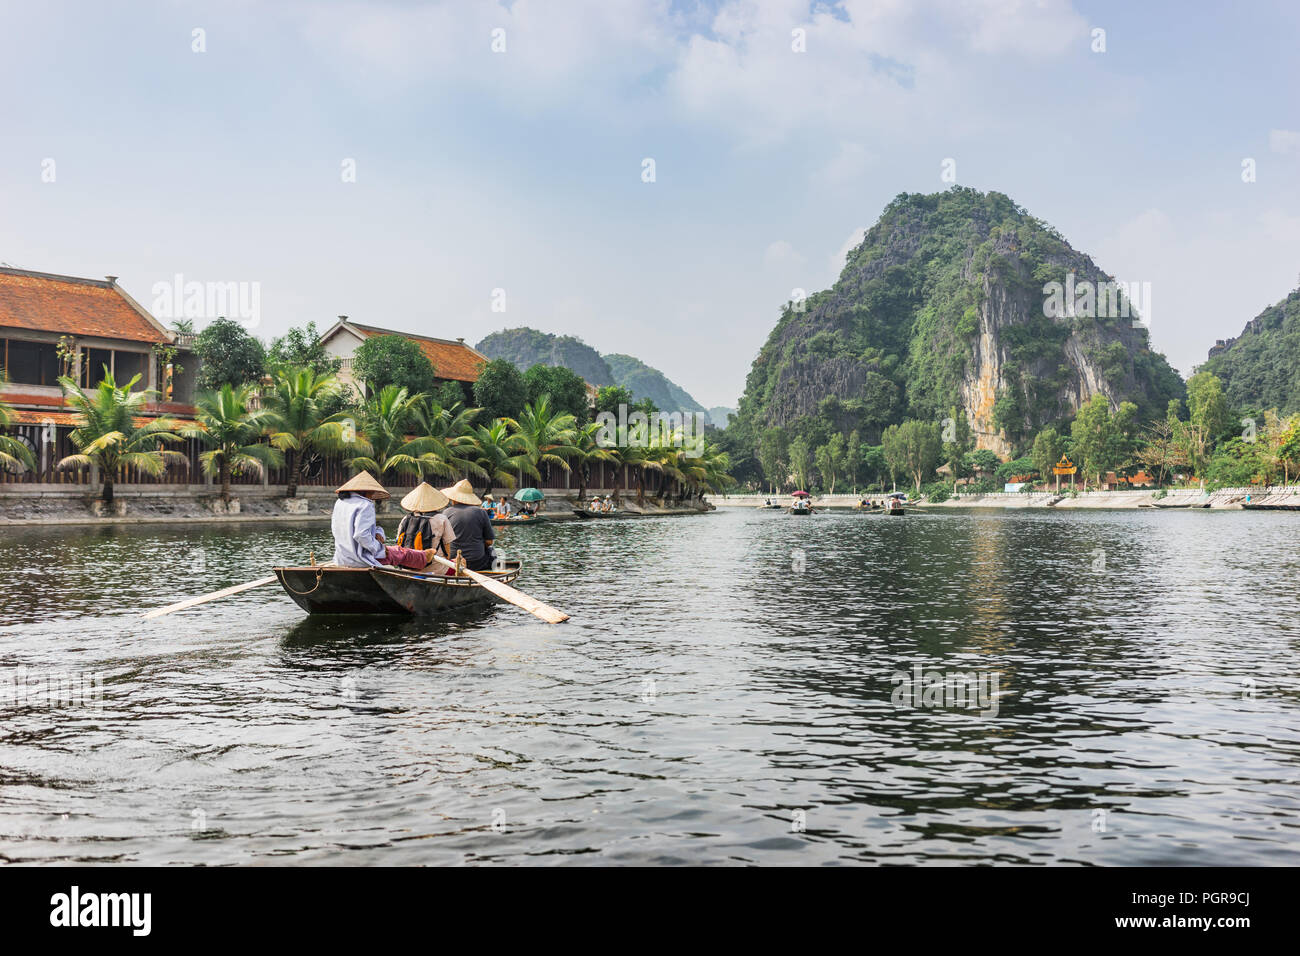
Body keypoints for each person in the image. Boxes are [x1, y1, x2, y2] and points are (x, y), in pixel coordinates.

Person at [331, 472, 438, 570]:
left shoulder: (340, 503)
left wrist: (377, 532)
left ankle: (424, 556)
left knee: (397, 551)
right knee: (400, 552)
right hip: (361, 559)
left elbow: (344, 530)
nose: (372, 495)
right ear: (365, 491)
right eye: (371, 492)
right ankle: (425, 557)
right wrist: (379, 549)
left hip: (342, 558)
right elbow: (361, 535)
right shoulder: (365, 505)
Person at [440, 478, 496, 572]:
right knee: (492, 551)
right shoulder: (481, 512)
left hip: (453, 562)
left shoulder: (446, 512)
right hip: (477, 562)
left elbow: (442, 541)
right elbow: (489, 542)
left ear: (453, 498)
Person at [395, 482, 454, 560]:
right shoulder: (441, 519)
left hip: (408, 564)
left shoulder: (406, 518)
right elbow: (447, 548)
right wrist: (447, 561)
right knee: (461, 563)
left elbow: (398, 541)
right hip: (436, 566)